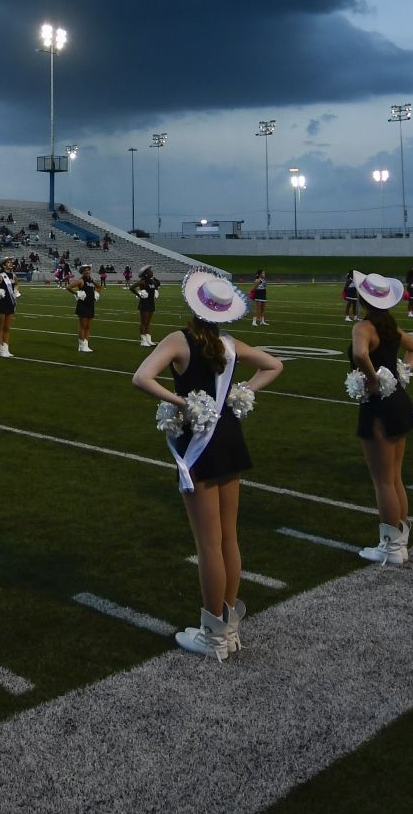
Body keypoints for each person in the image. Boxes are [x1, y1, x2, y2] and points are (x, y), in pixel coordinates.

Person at [131, 271, 285, 659]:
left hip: (199, 441)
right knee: (229, 537)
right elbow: (274, 365)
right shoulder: (230, 345)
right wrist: (241, 392)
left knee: (208, 544)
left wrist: (182, 403)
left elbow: (141, 378)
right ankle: (228, 628)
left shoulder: (178, 341)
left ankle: (212, 635)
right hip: (230, 438)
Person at [347, 271, 413, 566]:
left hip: (378, 406)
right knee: (394, 476)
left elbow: (359, 354)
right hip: (399, 404)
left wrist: (373, 379)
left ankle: (390, 547)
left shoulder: (363, 327)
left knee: (382, 481)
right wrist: (401, 371)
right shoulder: (391, 326)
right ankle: (400, 542)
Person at [65, 264, 100, 352]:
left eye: (88, 270)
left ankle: (86, 345)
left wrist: (96, 292)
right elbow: (68, 287)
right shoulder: (80, 280)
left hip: (91, 305)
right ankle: (81, 345)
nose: (87, 271)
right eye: (85, 270)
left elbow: (99, 287)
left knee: (88, 326)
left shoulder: (91, 280)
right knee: (83, 326)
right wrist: (76, 293)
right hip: (83, 305)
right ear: (82, 272)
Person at [129, 267, 162, 346]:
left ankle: (148, 339)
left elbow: (158, 284)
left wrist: (156, 291)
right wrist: (138, 295)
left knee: (148, 322)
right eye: (150, 271)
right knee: (143, 322)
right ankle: (143, 341)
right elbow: (131, 287)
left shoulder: (153, 281)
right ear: (146, 273)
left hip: (151, 303)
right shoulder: (143, 281)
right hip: (144, 303)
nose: (152, 272)